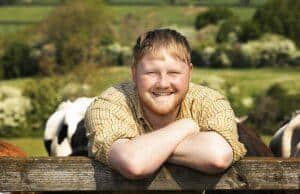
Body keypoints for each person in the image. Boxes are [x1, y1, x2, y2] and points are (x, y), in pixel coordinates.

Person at [85, 28, 246, 180]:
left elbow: (217, 156)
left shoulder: (209, 102)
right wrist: (186, 127)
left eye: (174, 73)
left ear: (190, 73)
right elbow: (133, 163)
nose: (163, 83)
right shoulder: (109, 103)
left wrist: (148, 151)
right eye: (151, 73)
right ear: (134, 72)